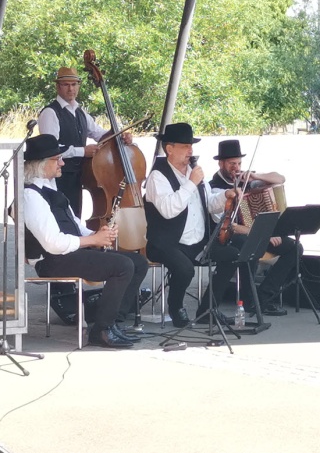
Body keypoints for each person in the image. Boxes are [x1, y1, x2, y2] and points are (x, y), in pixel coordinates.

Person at [23, 134, 149, 348]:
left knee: (138, 263)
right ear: (41, 164)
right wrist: (92, 240)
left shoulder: (52, 189)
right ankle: (101, 331)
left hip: (70, 253)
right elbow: (53, 243)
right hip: (52, 261)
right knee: (122, 266)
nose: (62, 162)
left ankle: (112, 321)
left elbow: (74, 226)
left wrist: (99, 234)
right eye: (57, 159)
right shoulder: (30, 196)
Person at [144, 123, 243, 327]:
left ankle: (208, 308)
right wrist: (191, 183)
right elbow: (168, 209)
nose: (190, 150)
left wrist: (225, 195)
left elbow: (208, 203)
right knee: (185, 269)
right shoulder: (157, 176)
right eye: (185, 146)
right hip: (167, 243)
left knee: (232, 256)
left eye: (191, 145)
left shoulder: (193, 171)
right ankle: (176, 306)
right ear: (169, 148)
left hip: (197, 240)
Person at [208, 139, 296, 316]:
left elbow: (280, 178)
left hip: (257, 233)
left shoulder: (247, 181)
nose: (236, 167)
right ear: (221, 163)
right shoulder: (214, 188)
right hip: (230, 237)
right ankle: (250, 302)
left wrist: (256, 176)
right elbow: (228, 226)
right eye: (232, 163)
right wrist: (262, 234)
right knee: (250, 246)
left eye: (239, 163)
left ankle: (264, 295)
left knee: (295, 248)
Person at [38, 66, 133, 217]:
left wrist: (118, 134)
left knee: (75, 217)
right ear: (58, 87)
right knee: (62, 218)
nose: (71, 89)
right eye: (66, 85)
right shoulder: (50, 112)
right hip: (58, 178)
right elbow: (51, 148)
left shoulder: (80, 112)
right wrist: (83, 151)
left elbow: (99, 133)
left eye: (74, 84)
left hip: (78, 176)